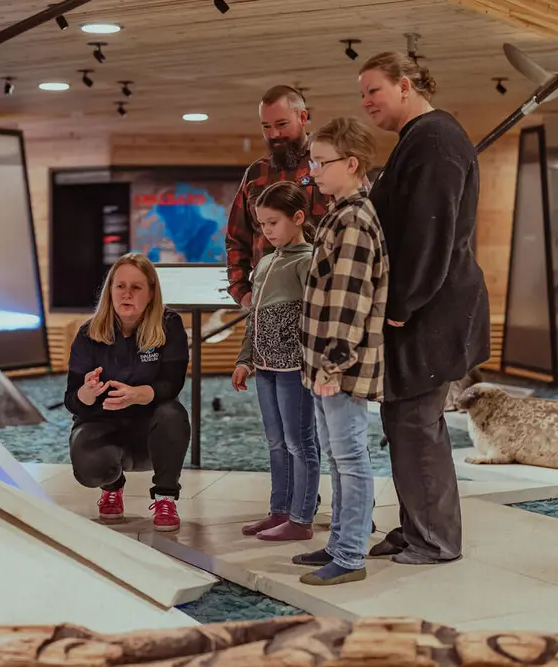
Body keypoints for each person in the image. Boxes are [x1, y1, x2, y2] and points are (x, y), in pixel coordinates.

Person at [358, 52, 491, 565]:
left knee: (416, 422)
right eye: (363, 94)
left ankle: (435, 539)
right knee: (404, 422)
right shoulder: (420, 139)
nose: (366, 102)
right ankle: (417, 525)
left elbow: (430, 233)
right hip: (423, 309)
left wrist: (401, 302)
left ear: (405, 85)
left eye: (373, 90)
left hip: (428, 311)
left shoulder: (434, 140)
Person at [293, 117, 389, 587]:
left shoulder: (353, 219)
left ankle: (350, 554)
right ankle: (338, 543)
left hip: (340, 367)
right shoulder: (340, 212)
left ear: (351, 164)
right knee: (337, 456)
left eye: (320, 162)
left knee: (350, 459)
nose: (312, 172)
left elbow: (350, 300)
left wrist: (332, 364)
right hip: (325, 365)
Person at [64, 253, 192, 532]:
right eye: (120, 286)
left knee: (173, 414)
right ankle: (112, 486)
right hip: (103, 423)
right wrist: (87, 392)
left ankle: (165, 497)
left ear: (151, 293)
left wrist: (137, 394)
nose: (127, 294)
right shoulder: (88, 333)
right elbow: (72, 400)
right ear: (109, 290)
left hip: (150, 428)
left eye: (136, 287)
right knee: (89, 467)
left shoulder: (169, 325)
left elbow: (172, 384)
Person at [231, 181, 319, 542]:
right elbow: (253, 318)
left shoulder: (307, 261)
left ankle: (301, 518)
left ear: (297, 218)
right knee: (276, 442)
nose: (266, 231)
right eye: (262, 224)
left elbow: (316, 318)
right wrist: (245, 360)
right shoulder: (266, 262)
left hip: (294, 369)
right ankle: (279, 511)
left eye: (273, 222)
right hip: (265, 369)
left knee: (300, 442)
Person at [225, 85, 330, 309]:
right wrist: (241, 292)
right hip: (265, 299)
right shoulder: (255, 174)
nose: (274, 134)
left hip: (320, 298)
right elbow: (236, 238)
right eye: (266, 126)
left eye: (282, 124)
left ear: (303, 117)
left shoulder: (330, 163)